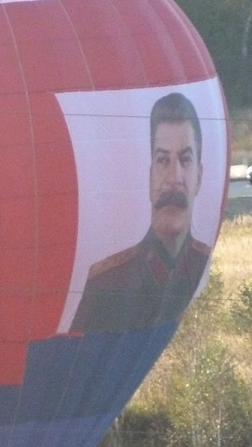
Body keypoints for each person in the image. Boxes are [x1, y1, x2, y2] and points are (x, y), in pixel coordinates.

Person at [70, 91, 211, 333]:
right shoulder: (105, 284)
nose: (174, 178)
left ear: (199, 177)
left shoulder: (204, 266)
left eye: (185, 160)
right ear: (149, 176)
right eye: (163, 160)